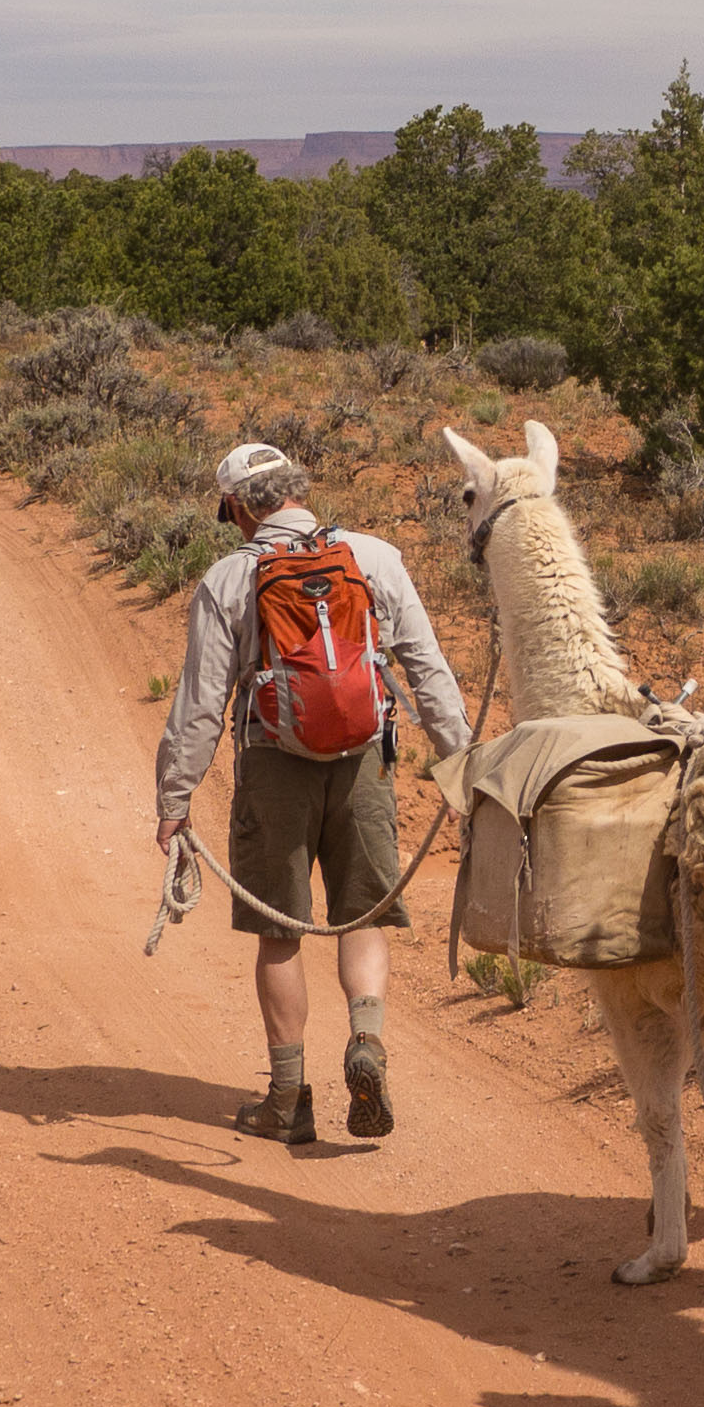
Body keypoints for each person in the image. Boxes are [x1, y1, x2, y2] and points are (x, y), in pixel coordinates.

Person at [153, 443, 471, 1141]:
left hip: (274, 767)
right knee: (362, 916)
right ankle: (366, 1039)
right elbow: (428, 669)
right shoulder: (374, 557)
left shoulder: (230, 579)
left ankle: (288, 1101)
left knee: (280, 932)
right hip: (365, 764)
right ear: (297, 489)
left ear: (240, 507)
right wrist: (462, 765)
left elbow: (200, 708)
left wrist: (175, 802)